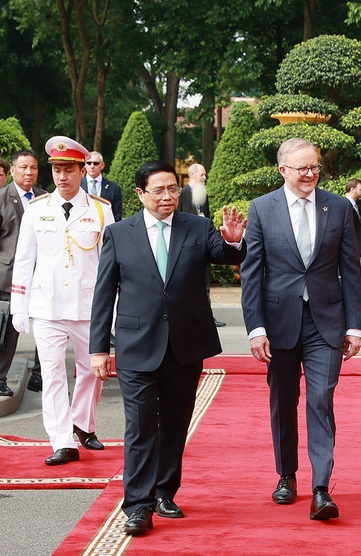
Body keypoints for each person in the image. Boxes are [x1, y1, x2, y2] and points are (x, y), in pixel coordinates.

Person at [90, 161, 247, 536]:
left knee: (175, 425)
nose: (167, 197)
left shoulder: (197, 226)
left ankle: (165, 492)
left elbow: (227, 257)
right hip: (136, 345)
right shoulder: (119, 233)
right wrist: (99, 348)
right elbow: (103, 294)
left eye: (173, 189)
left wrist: (233, 240)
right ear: (141, 194)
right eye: (158, 190)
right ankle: (138, 506)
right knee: (141, 427)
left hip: (185, 346)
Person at [240, 137, 361, 521]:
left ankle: (321, 487)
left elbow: (351, 270)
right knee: (283, 402)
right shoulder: (262, 209)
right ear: (283, 170)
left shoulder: (339, 207)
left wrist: (355, 325)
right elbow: (252, 273)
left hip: (326, 323)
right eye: (302, 168)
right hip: (278, 324)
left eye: (315, 167)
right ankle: (286, 475)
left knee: (320, 400)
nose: (310, 174)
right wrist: (255, 328)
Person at [10, 136, 114, 466]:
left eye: (68, 170)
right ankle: (61, 439)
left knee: (91, 370)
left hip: (88, 307)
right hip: (47, 307)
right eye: (56, 170)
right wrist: (19, 306)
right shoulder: (37, 209)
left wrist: (112, 312)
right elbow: (24, 260)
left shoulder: (101, 210)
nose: (61, 177)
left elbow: (111, 265)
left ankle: (82, 423)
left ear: (82, 170)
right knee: (53, 373)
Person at [0, 150, 45, 396]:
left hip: (40, 275)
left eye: (34, 168)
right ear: (13, 170)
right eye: (24, 167)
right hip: (7, 275)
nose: (29, 172)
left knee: (46, 327)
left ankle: (39, 375)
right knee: (9, 331)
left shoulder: (44, 198)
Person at [177, 163, 224, 326]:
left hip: (203, 243)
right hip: (188, 244)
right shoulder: (183, 193)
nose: (204, 177)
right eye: (202, 174)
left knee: (205, 281)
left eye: (204, 174)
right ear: (192, 175)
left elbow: (207, 217)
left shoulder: (203, 193)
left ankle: (207, 316)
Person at [81, 150, 123, 222]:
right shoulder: (77, 186)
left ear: (102, 165)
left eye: (96, 163)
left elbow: (117, 215)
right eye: (89, 163)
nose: (92, 166)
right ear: (85, 165)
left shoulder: (114, 189)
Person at [344, 178, 361, 256]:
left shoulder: (356, 206)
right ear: (352, 189)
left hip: (355, 250)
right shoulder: (344, 205)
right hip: (348, 250)